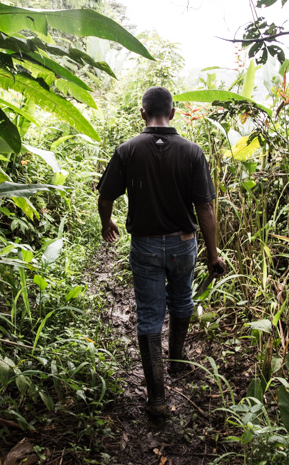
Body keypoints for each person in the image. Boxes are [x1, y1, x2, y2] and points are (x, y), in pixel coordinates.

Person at [96, 86, 226, 417]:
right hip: (184, 243)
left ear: (143, 113)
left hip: (146, 245)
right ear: (172, 112)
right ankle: (178, 361)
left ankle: (157, 398)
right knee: (182, 301)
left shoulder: (127, 150)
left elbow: (106, 195)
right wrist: (213, 254)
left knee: (150, 314)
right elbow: (205, 209)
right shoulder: (193, 152)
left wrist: (106, 222)